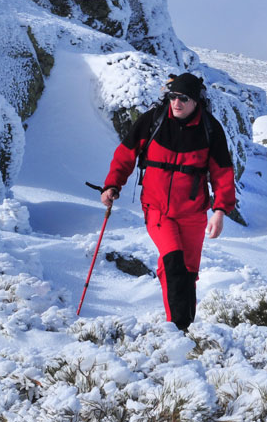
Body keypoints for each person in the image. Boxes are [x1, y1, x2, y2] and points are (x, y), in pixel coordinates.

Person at [100, 72, 236, 331]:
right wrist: (112, 184)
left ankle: (184, 327)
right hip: (157, 209)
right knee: (173, 261)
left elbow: (222, 173)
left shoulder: (210, 129)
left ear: (196, 101)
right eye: (173, 97)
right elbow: (125, 155)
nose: (177, 103)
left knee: (188, 273)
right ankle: (177, 330)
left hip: (193, 213)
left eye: (184, 98)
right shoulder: (154, 120)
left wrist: (219, 211)